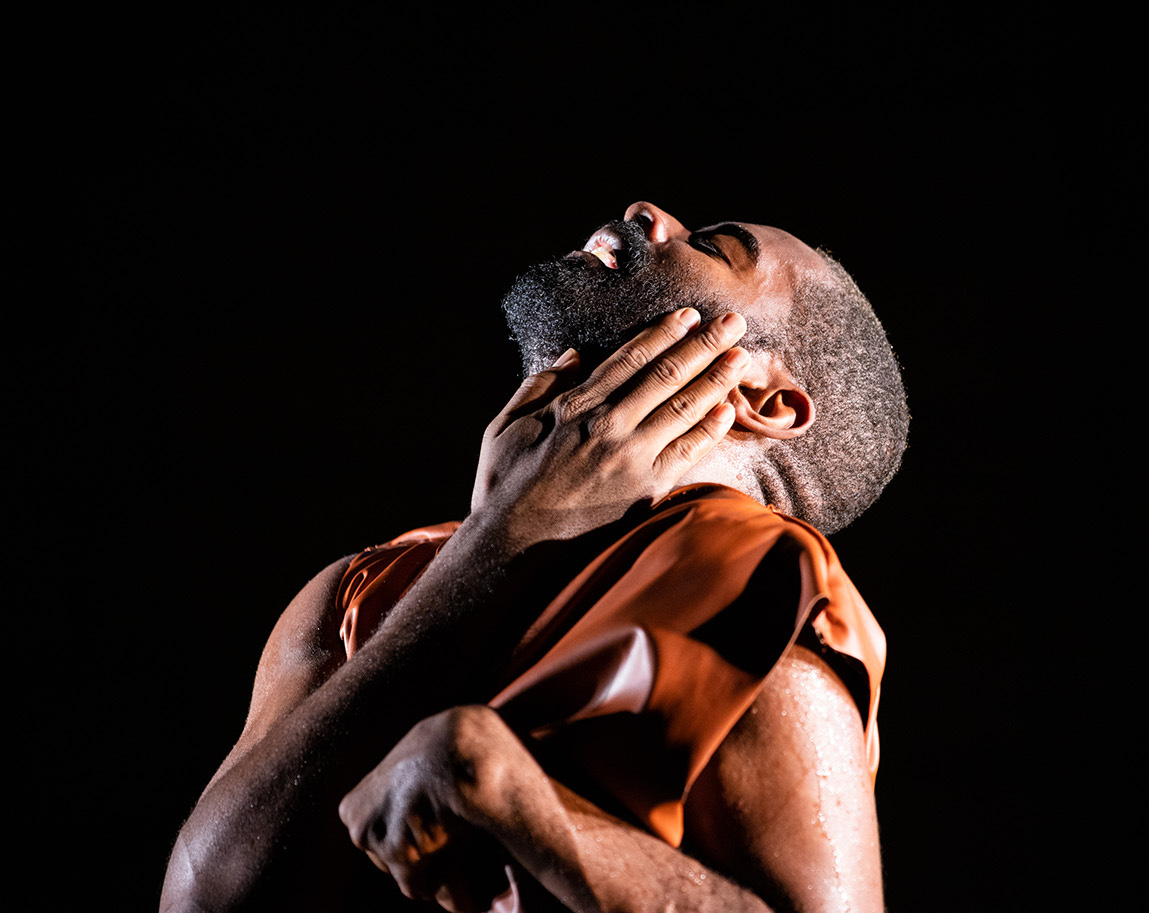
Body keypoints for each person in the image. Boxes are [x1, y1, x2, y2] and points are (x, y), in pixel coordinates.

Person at [160, 202, 908, 912]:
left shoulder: (758, 576)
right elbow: (201, 899)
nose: (647, 212)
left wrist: (523, 808)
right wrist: (495, 542)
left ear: (765, 399)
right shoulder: (365, 584)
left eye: (714, 247)